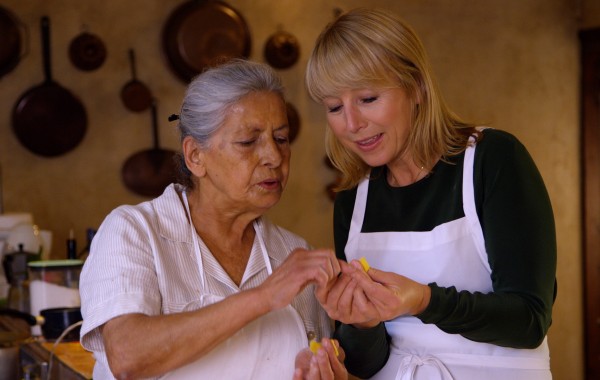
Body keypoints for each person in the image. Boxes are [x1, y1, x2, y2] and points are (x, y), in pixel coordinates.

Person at [305, 8, 557, 380]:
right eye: (334, 107)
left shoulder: (491, 160)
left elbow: (529, 320)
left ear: (417, 87)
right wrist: (360, 323)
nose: (352, 124)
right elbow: (366, 364)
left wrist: (424, 300)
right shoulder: (352, 202)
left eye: (368, 98)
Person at [79, 59, 347, 380]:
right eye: (248, 142)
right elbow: (127, 355)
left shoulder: (293, 252)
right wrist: (263, 296)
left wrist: (320, 367)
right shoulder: (134, 232)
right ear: (195, 156)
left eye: (281, 138)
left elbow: (317, 352)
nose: (274, 157)